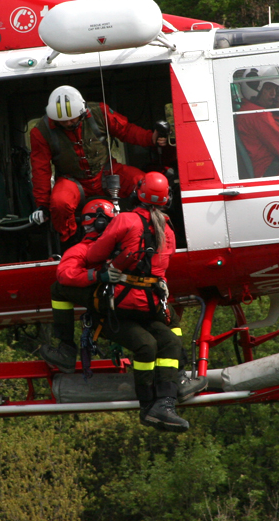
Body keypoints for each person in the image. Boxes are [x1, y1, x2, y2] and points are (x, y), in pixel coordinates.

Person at [82, 172, 190, 432]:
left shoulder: (125, 221)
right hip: (146, 307)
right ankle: (154, 404)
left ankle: (162, 405)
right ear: (165, 200)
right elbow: (164, 261)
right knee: (160, 344)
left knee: (163, 343)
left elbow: (94, 254)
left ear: (138, 192)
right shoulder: (168, 229)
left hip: (121, 306)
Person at [29, 85, 165, 244]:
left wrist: (150, 138)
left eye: (72, 119)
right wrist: (43, 205)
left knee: (143, 184)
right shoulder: (40, 132)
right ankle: (71, 242)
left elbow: (126, 131)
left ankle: (150, 232)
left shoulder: (100, 112)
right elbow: (41, 170)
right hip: (72, 181)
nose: (68, 123)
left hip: (106, 172)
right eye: (63, 121)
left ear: (82, 112)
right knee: (59, 203)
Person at [38, 197, 117, 373]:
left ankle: (66, 349)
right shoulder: (130, 242)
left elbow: (65, 275)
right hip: (137, 299)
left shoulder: (82, 250)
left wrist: (95, 276)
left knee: (57, 289)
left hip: (109, 301)